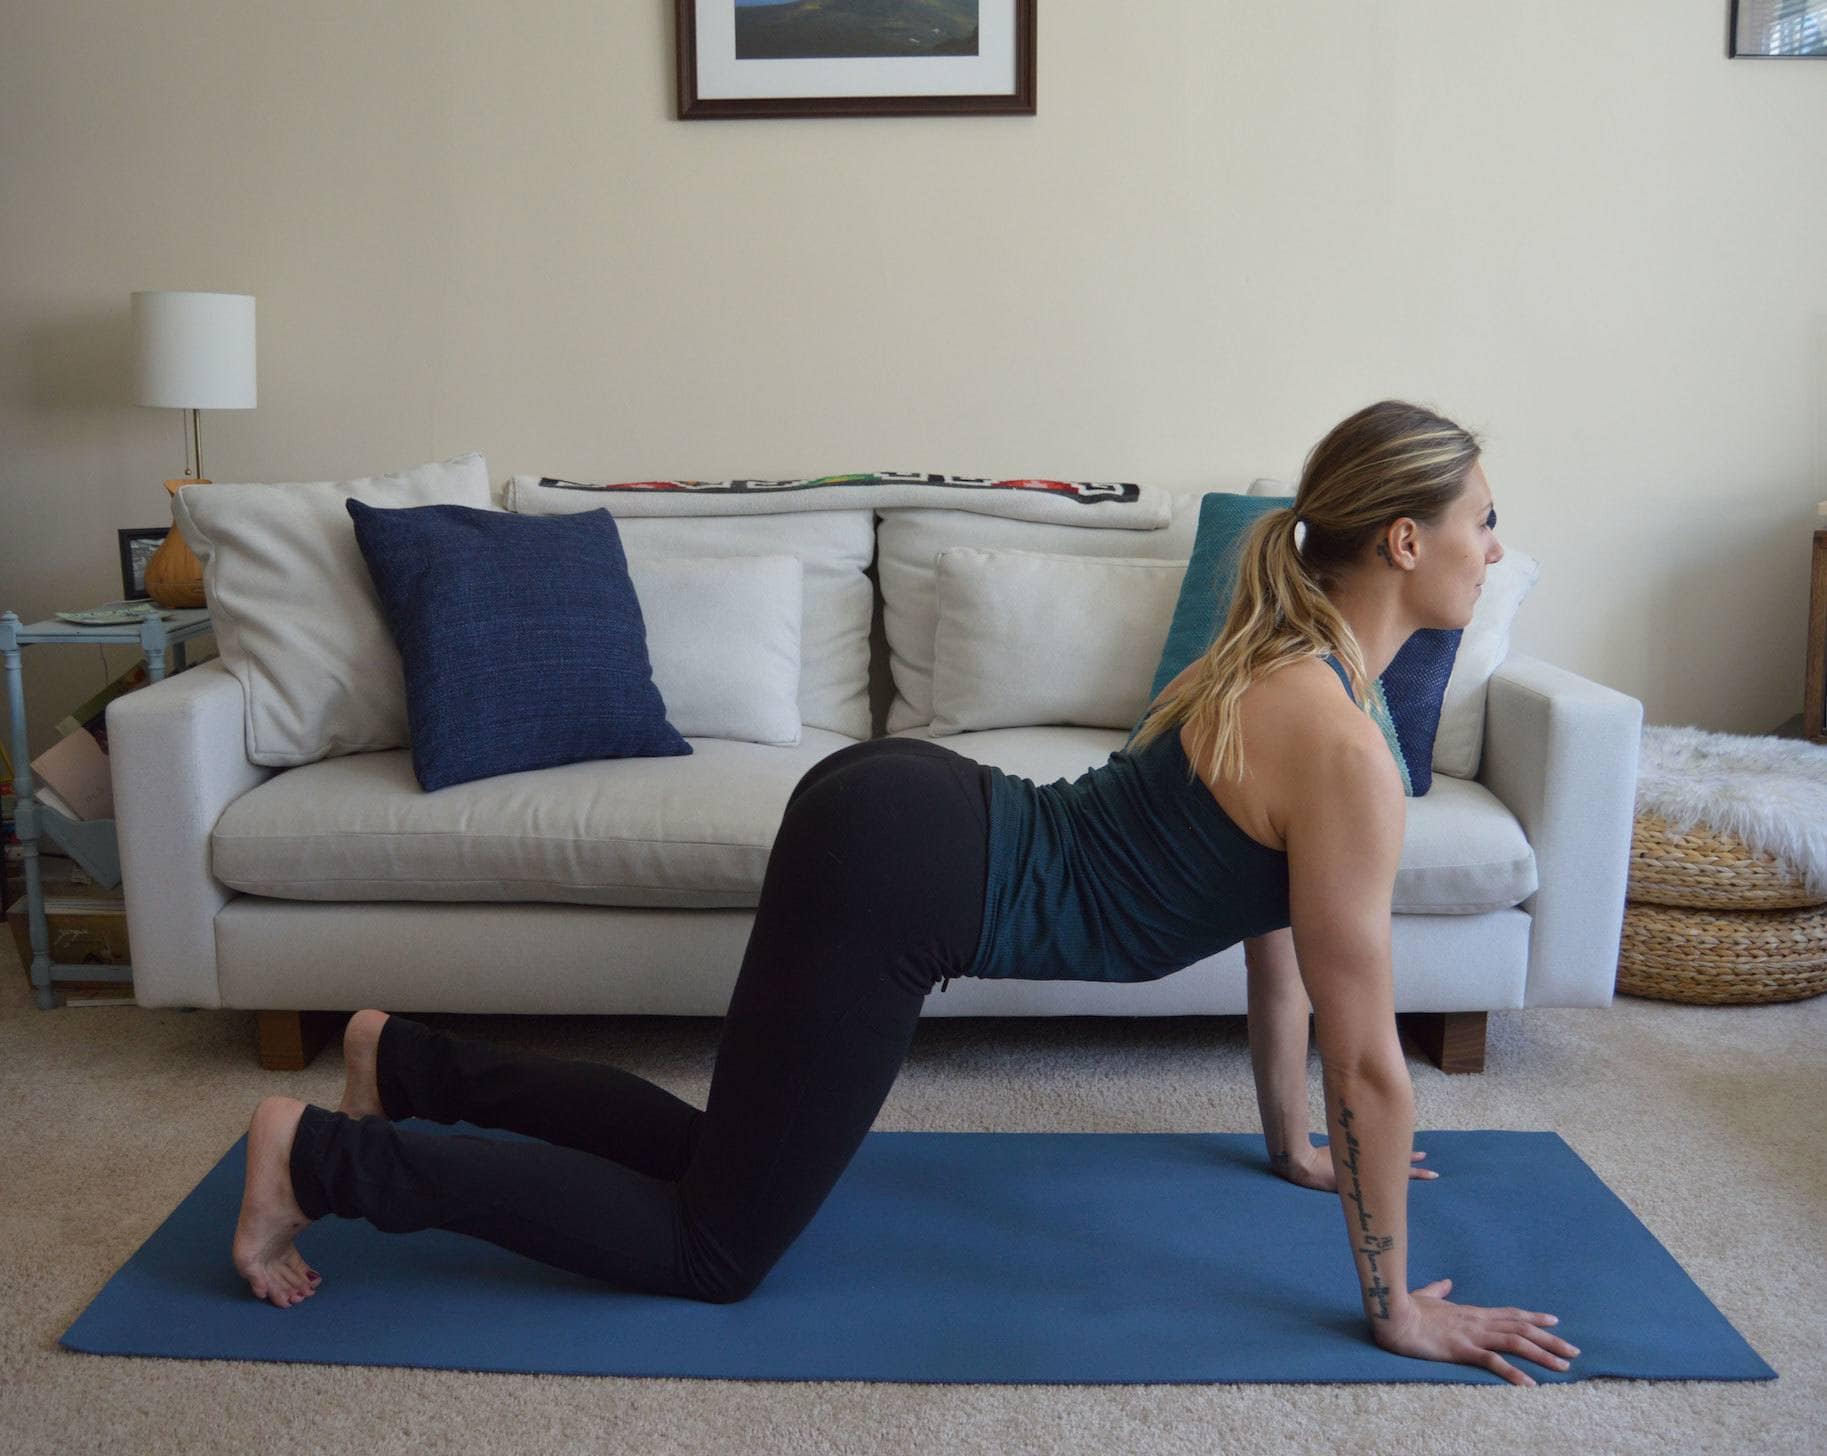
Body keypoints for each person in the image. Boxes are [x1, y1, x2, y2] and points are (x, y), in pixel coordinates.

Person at [232, 399, 1579, 1387]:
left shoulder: (1292, 664)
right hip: (913, 871)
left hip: (903, 811)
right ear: (1404, 541)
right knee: (715, 1247)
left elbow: (1278, 945)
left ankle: (401, 1062)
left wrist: (1290, 1146)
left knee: (721, 1161)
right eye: (1484, 523)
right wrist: (1396, 1305)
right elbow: (1375, 1062)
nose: (1496, 547)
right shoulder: (1343, 734)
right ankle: (324, 1159)